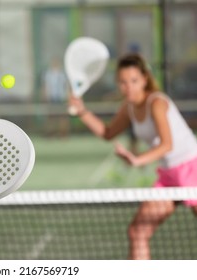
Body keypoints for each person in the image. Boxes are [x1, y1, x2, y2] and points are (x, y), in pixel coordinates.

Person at [69, 53, 197, 260]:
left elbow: (167, 144)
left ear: (145, 79)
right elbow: (107, 133)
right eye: (123, 82)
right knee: (138, 232)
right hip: (168, 177)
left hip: (192, 169)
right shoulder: (129, 107)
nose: (128, 87)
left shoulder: (157, 103)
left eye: (134, 81)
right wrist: (82, 110)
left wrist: (138, 160)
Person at [41, 58, 69, 137]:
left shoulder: (62, 74)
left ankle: (63, 134)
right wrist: (45, 96)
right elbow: (45, 86)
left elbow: (66, 86)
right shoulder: (48, 74)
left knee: (62, 117)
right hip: (51, 98)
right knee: (51, 117)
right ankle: (50, 134)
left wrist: (67, 96)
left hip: (61, 98)